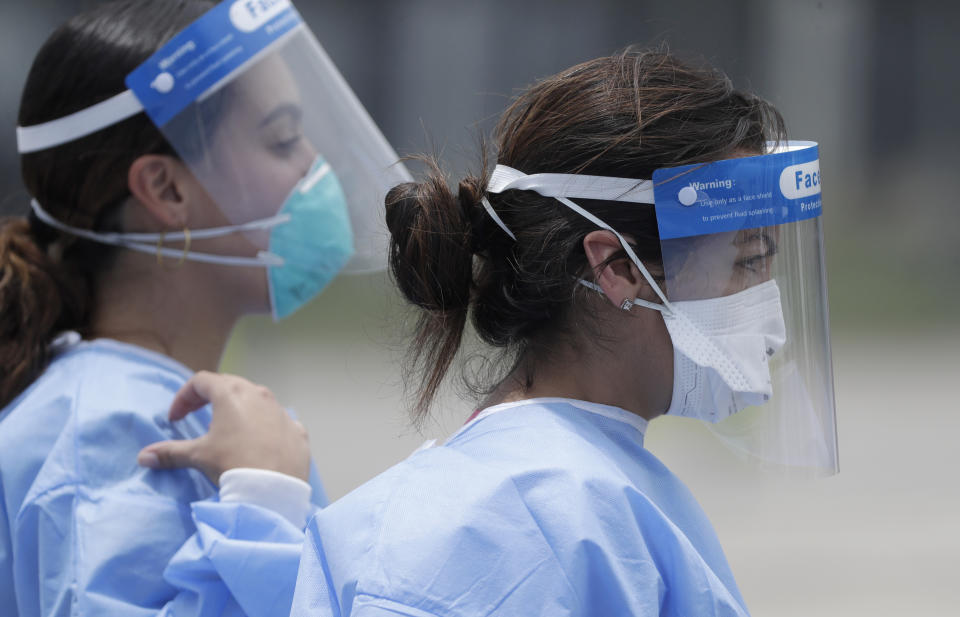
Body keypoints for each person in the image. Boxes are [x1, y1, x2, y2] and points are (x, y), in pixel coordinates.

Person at [147, 48, 838, 616]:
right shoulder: (532, 517)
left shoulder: (568, 483)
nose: (767, 310)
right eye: (747, 261)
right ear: (617, 266)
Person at [0, 1, 407, 616]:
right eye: (282, 138)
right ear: (167, 190)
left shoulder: (142, 407)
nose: (313, 168)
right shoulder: (109, 431)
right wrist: (264, 505)